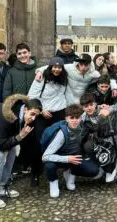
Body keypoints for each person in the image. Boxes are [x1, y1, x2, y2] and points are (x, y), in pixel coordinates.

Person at [42, 104, 100, 198]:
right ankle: (53, 183)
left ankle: (70, 173)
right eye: (71, 118)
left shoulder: (81, 125)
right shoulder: (61, 133)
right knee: (49, 165)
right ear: (66, 118)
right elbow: (45, 156)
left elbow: (90, 111)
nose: (74, 120)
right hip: (60, 159)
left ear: (81, 118)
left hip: (74, 158)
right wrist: (67, 159)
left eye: (77, 118)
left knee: (94, 170)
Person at [26, 57, 68, 186]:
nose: (56, 69)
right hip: (43, 113)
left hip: (59, 111)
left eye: (59, 67)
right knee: (39, 142)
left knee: (60, 141)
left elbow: (75, 66)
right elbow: (31, 96)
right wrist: (41, 110)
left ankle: (59, 170)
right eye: (54, 67)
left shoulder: (64, 77)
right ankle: (36, 172)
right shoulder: (41, 77)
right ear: (49, 68)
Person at [80, 93, 117, 181]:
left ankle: (111, 170)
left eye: (91, 105)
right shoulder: (84, 119)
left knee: (109, 147)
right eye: (86, 106)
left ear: (95, 104)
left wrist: (110, 110)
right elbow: (82, 135)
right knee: (88, 146)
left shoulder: (104, 108)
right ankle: (102, 168)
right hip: (102, 140)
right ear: (82, 108)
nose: (89, 108)